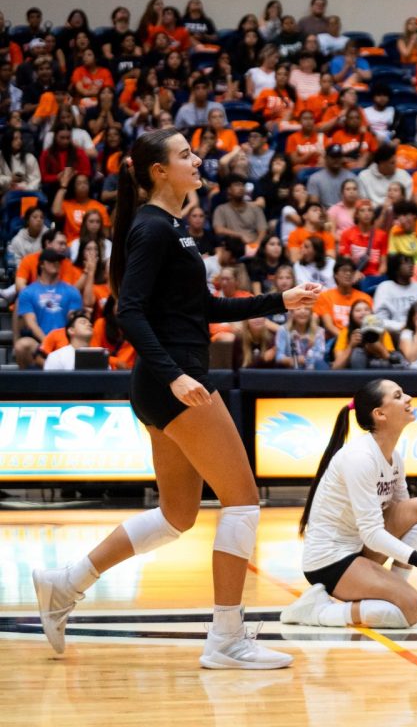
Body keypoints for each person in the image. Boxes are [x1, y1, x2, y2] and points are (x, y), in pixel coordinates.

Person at [31, 129, 321, 669]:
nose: (197, 158)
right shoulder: (151, 228)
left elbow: (200, 308)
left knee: (176, 515)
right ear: (159, 170)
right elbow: (129, 311)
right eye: (185, 153)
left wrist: (277, 299)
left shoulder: (171, 228)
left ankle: (64, 583)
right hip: (176, 382)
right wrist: (173, 378)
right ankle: (227, 638)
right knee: (243, 500)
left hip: (167, 382)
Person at [282, 380, 417, 630]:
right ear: (380, 414)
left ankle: (399, 598)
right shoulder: (360, 458)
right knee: (413, 608)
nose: (408, 397)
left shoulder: (394, 458)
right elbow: (372, 533)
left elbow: (410, 521)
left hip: (360, 551)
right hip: (330, 563)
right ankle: (319, 611)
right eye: (398, 396)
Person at [12, 249, 84, 369]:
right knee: (21, 346)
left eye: (58, 261)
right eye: (51, 261)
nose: (56, 263)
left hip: (65, 342)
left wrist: (60, 343)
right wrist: (47, 343)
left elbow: (73, 320)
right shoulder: (28, 292)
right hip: (40, 342)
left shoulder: (72, 291)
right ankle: (26, 385)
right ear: (42, 264)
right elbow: (31, 323)